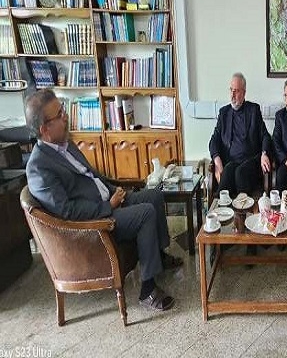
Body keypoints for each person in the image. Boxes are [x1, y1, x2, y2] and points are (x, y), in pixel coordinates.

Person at [25, 89, 181, 311]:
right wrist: (108, 205)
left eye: (63, 110)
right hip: (95, 223)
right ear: (44, 129)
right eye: (59, 114)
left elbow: (92, 176)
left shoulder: (66, 144)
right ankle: (147, 290)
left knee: (154, 195)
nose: (66, 116)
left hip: (109, 200)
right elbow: (67, 211)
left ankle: (159, 256)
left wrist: (113, 189)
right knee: (146, 213)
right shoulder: (39, 167)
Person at [209, 72, 271, 197]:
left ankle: (243, 206)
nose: (232, 95)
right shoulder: (224, 112)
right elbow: (214, 140)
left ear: (244, 93)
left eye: (236, 91)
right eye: (231, 90)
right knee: (228, 170)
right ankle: (220, 205)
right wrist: (217, 160)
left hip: (250, 162)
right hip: (230, 161)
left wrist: (264, 154)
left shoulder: (253, 110)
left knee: (240, 172)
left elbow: (265, 135)